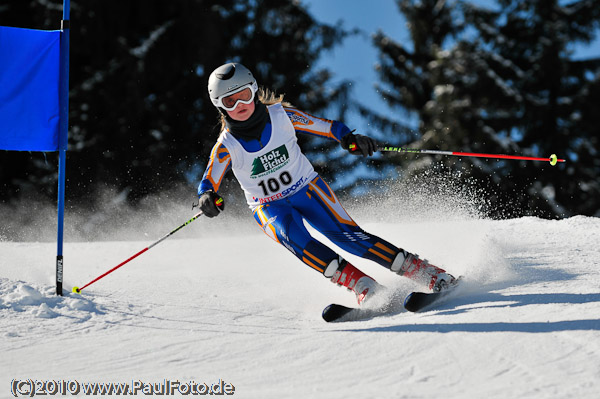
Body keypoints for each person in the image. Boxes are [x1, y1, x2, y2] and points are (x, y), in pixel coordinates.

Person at [197, 62, 456, 305]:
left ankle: (429, 274)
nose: (239, 104)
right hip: (268, 206)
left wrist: (349, 139)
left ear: (253, 90)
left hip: (307, 189)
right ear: (219, 106)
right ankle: (364, 287)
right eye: (230, 101)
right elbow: (209, 180)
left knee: (350, 239)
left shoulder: (282, 116)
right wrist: (207, 196)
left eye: (243, 95)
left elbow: (327, 127)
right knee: (297, 241)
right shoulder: (226, 146)